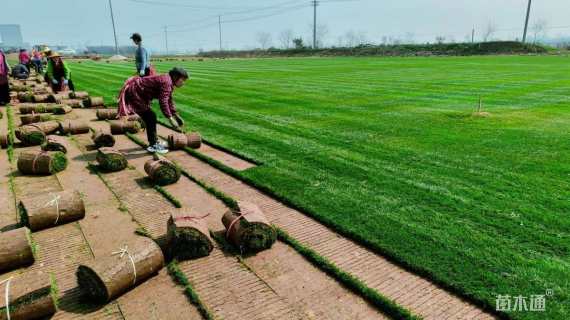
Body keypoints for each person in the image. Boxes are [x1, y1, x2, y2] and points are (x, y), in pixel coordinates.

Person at [117, 67, 188, 154]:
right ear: (175, 76)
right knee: (151, 117)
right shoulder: (167, 82)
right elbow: (163, 102)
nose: (183, 83)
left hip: (138, 92)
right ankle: (153, 145)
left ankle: (153, 143)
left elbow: (169, 99)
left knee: (150, 117)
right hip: (135, 93)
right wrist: (170, 118)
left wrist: (176, 115)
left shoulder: (168, 81)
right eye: (182, 80)